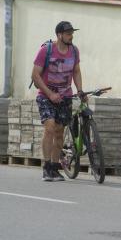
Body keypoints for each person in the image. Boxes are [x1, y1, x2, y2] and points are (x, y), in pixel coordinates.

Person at [32, 21, 84, 182]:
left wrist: (80, 90)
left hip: (65, 97)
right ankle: (46, 167)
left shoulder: (74, 51)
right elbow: (35, 76)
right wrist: (49, 93)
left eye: (72, 33)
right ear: (59, 35)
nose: (71, 36)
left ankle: (55, 167)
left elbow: (76, 72)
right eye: (68, 33)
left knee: (60, 132)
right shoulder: (45, 51)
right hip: (46, 96)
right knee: (50, 127)